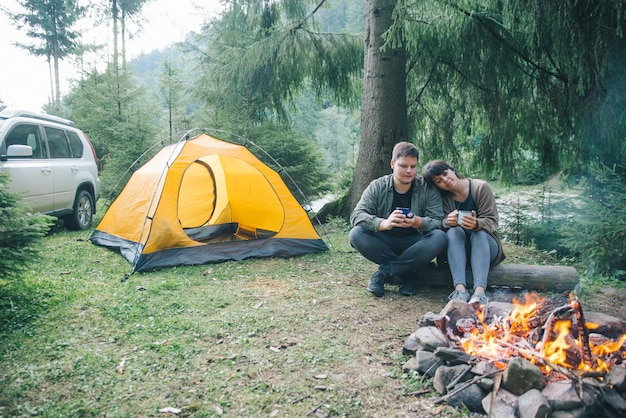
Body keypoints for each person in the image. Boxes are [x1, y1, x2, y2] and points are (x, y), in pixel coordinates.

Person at [349, 142, 447, 297]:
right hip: (385, 242)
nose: (409, 171)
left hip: (415, 243)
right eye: (403, 166)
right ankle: (409, 274)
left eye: (413, 166)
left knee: (439, 237)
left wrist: (417, 222)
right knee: (356, 234)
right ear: (393, 164)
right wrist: (383, 223)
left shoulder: (427, 188)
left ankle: (384, 273)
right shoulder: (377, 186)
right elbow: (357, 215)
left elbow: (437, 221)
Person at [421, 160, 506, 307]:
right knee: (453, 231)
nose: (445, 180)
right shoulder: (442, 198)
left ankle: (480, 292)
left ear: (452, 170)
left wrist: (477, 223)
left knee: (477, 233)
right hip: (459, 249)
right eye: (439, 181)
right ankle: (460, 290)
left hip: (486, 246)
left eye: (445, 174)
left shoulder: (480, 188)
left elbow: (492, 221)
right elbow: (438, 222)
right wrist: (448, 221)